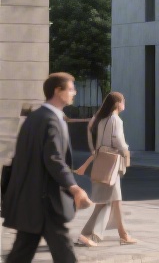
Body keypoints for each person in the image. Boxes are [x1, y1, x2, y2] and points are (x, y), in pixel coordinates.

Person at [1, 72, 91, 263]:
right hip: (46, 200)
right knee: (63, 253)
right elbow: (54, 159)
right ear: (58, 91)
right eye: (71, 89)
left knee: (22, 251)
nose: (74, 93)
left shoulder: (34, 118)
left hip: (32, 200)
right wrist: (74, 187)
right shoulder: (50, 120)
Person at [74, 92, 136, 247]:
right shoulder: (116, 120)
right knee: (105, 203)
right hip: (112, 165)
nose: (124, 104)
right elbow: (119, 142)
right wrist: (127, 152)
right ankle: (87, 235)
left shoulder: (101, 120)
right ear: (117, 103)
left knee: (115, 201)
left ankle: (123, 235)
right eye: (123, 101)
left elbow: (96, 143)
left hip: (103, 161)